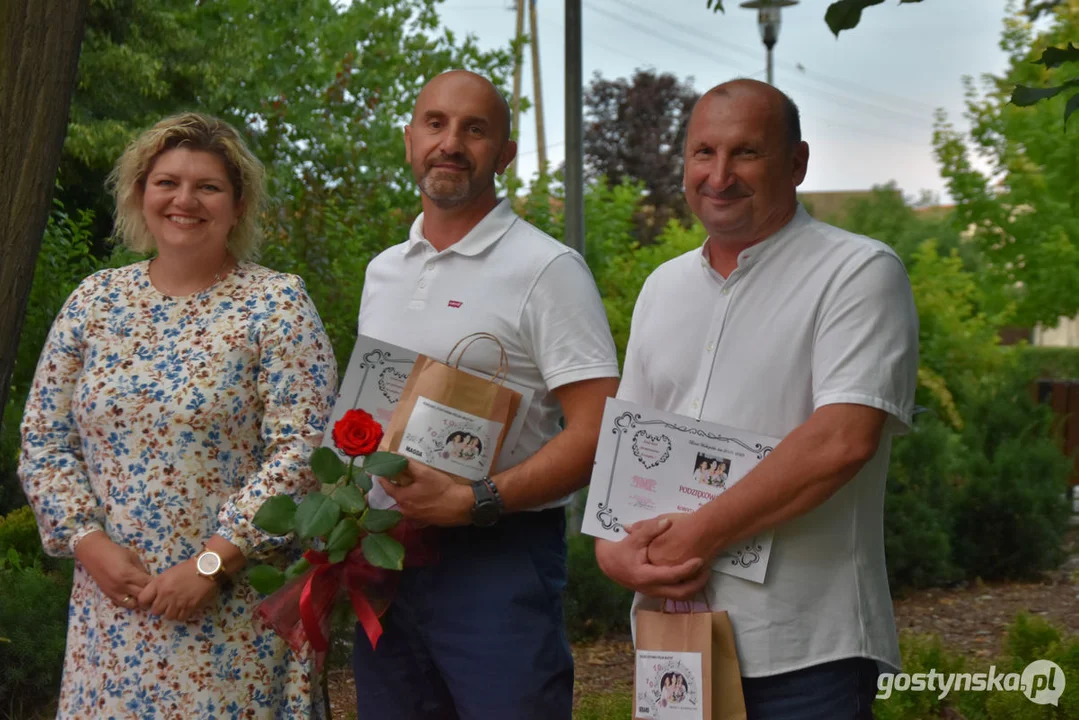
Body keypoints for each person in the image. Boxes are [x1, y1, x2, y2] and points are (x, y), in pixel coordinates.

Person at [595, 78, 919, 719]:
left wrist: (695, 537)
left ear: (796, 163)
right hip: (677, 646)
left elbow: (842, 441)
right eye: (702, 153)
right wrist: (612, 553)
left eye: (746, 153)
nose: (719, 175)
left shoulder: (858, 273)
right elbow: (627, 456)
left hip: (805, 654)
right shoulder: (662, 289)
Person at [18, 112, 338, 719]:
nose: (184, 200)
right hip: (111, 615)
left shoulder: (276, 305)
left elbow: (303, 453)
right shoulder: (95, 301)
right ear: (141, 193)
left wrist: (211, 564)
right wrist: (88, 545)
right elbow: (44, 441)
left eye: (208, 187)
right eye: (167, 182)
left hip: (234, 616)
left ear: (237, 205)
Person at [352, 69, 620, 719]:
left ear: (504, 154)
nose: (450, 142)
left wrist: (476, 500)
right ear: (409, 138)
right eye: (435, 123)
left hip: (496, 559)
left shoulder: (548, 269)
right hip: (383, 556)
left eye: (474, 129)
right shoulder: (384, 271)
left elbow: (601, 427)